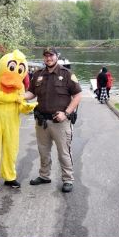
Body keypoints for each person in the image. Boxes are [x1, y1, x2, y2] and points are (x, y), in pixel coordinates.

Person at [0, 49, 36, 193]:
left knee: (11, 150)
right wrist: (15, 98)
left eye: (19, 69)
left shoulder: (20, 85)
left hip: (12, 122)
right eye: (12, 67)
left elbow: (20, 104)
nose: (15, 71)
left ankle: (9, 177)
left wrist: (27, 107)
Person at [27, 48, 81, 193]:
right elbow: (31, 93)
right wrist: (18, 96)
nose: (48, 58)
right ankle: (44, 176)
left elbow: (77, 95)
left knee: (63, 152)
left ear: (57, 56)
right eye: (46, 56)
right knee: (43, 151)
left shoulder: (67, 74)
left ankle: (68, 179)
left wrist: (67, 113)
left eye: (51, 55)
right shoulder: (38, 74)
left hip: (60, 122)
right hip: (42, 121)